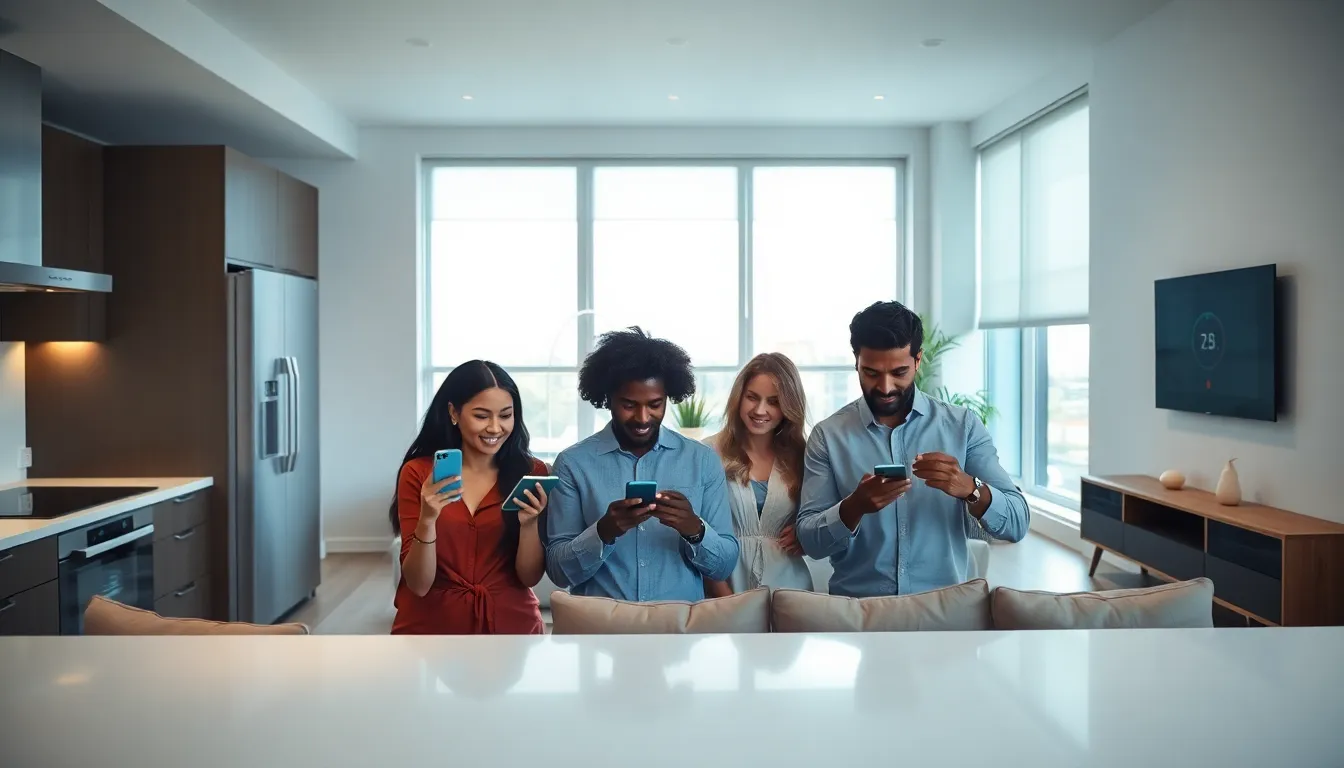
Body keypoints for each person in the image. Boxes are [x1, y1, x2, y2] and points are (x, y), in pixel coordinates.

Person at [796, 301, 1028, 597]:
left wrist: (970, 488)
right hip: (858, 615)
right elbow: (810, 541)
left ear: (918, 360)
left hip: (945, 611)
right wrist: (853, 507)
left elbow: (1018, 522)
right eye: (871, 372)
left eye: (899, 372)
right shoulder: (828, 436)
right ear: (856, 361)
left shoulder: (963, 427)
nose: (886, 386)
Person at [545, 327, 738, 602]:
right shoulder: (573, 464)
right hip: (599, 632)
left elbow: (725, 565)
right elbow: (558, 571)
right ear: (608, 398)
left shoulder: (702, 461)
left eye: (655, 404)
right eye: (629, 405)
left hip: (679, 630)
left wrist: (694, 529)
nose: (643, 417)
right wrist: (603, 532)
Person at [390, 360, 549, 634]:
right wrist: (427, 521)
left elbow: (529, 577)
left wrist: (530, 525)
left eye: (506, 415)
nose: (495, 428)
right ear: (454, 412)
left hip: (512, 627)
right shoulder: (418, 474)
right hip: (429, 628)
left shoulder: (532, 472)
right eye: (482, 415)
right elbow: (418, 584)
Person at [702, 353, 814, 596]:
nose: (760, 410)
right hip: (726, 587)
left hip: (792, 590)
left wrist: (805, 534)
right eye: (752, 397)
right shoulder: (707, 453)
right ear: (738, 397)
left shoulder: (804, 456)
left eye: (773, 402)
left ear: (789, 406)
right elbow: (699, 536)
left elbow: (821, 521)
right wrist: (723, 597)